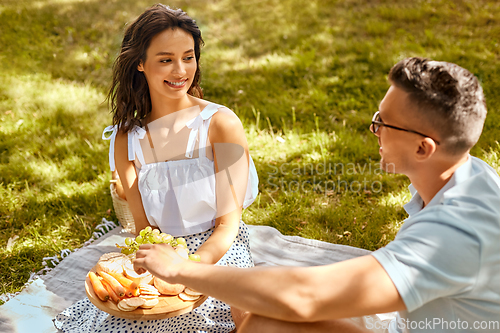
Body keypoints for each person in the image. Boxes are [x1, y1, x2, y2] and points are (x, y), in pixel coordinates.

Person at [133, 57, 500, 333]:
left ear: (423, 149)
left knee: (265, 323)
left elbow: (303, 297)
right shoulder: (467, 175)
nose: (373, 129)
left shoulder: (454, 234)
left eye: (383, 123)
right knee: (252, 305)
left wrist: (182, 269)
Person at [54, 4, 258, 333]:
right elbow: (143, 228)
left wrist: (189, 268)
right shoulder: (126, 139)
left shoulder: (221, 125)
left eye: (188, 57)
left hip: (217, 251)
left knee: (224, 316)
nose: (180, 71)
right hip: (159, 252)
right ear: (139, 63)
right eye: (166, 60)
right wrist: (160, 265)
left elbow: (226, 226)